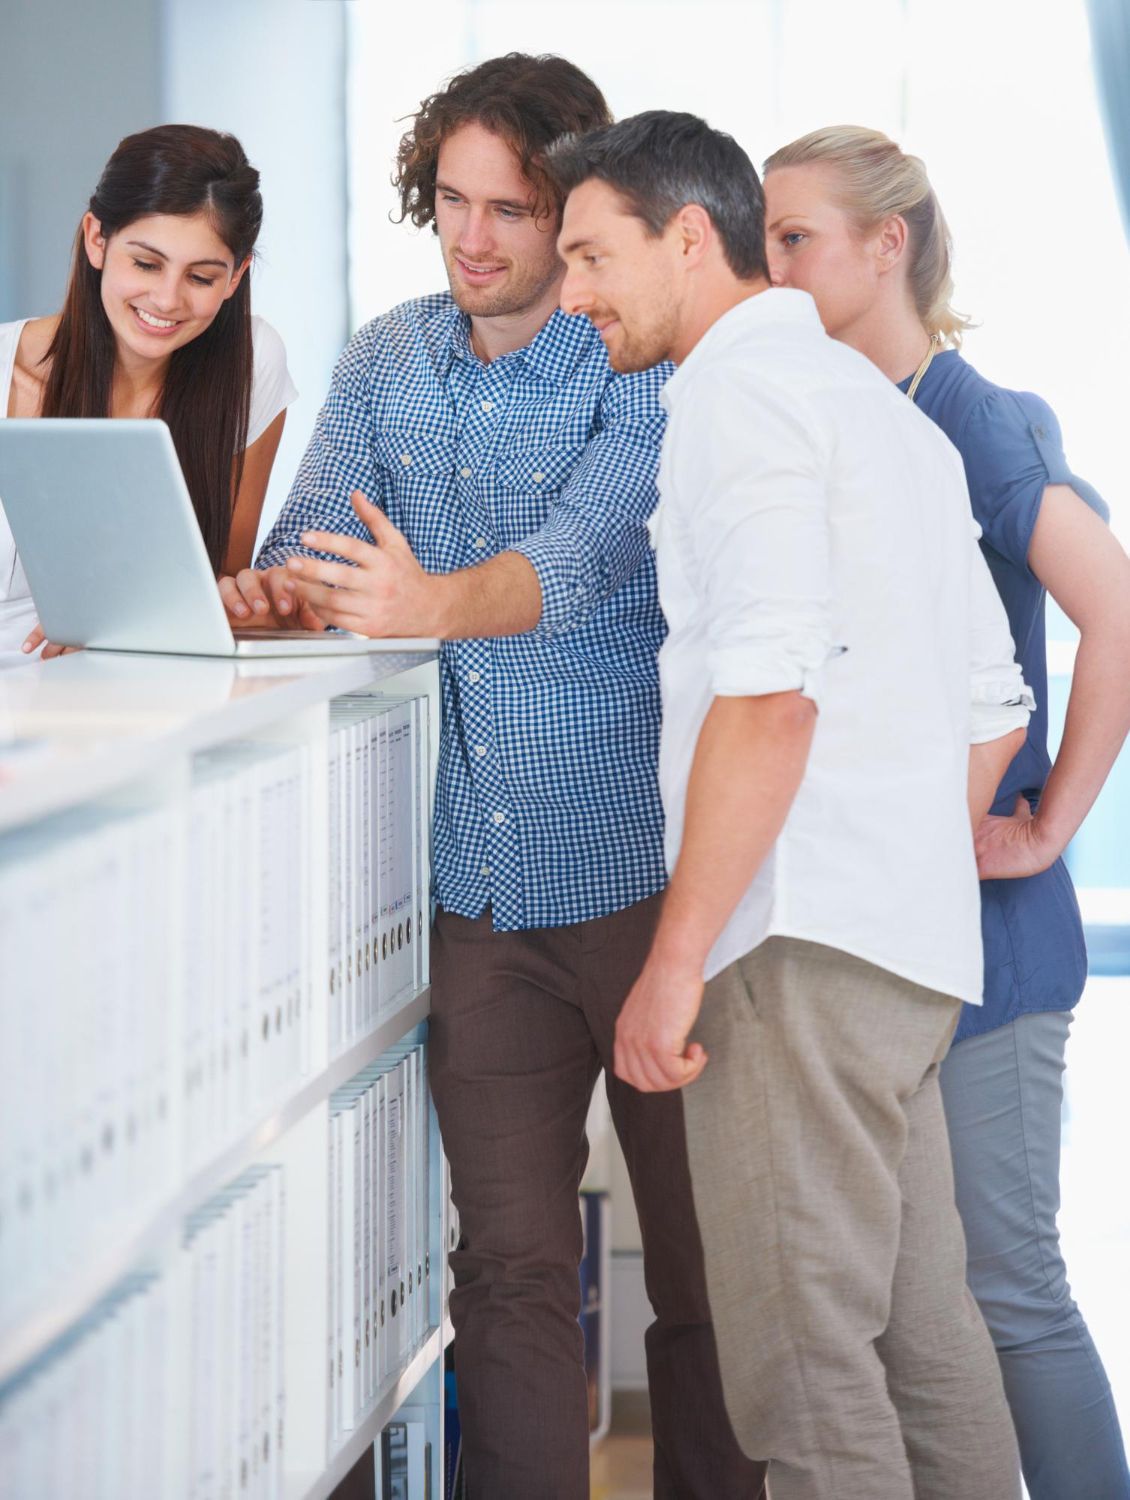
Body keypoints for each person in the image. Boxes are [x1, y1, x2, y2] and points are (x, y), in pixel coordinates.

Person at [228, 54, 766, 1500]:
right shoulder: (390, 356)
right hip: (475, 888)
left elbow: (591, 554)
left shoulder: (636, 353)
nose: (474, 239)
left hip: (651, 889)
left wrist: (427, 601)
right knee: (512, 1273)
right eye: (452, 204)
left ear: (574, 212)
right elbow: (306, 553)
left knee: (708, 1277)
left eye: (513, 210)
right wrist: (262, 596)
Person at [549, 109, 1032, 1500]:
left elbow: (768, 695)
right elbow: (992, 711)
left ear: (688, 239)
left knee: (806, 1374)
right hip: (906, 956)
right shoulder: (876, 413)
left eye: (591, 255)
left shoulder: (730, 398)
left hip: (796, 952)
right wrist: (889, 860)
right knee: (922, 1346)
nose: (572, 295)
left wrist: (679, 956)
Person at [762, 125, 1130, 1500]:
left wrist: (1041, 828)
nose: (773, 267)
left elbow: (1117, 610)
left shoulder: (966, 417)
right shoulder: (834, 416)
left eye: (794, 237)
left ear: (886, 244)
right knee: (918, 1306)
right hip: (887, 924)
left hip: (988, 931)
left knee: (1006, 1286)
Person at [0, 123, 296, 664]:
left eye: (201, 277)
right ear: (97, 239)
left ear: (235, 278)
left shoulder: (252, 364)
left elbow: (217, 595)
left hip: (145, 701)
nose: (166, 299)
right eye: (146, 263)